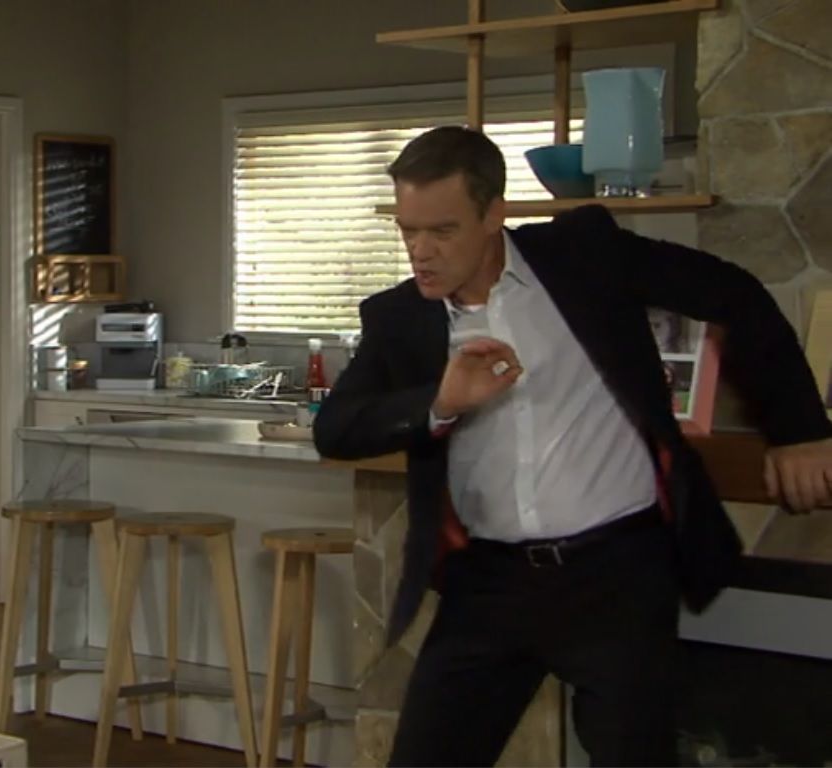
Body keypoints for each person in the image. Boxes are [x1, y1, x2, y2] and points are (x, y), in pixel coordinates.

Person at [312, 126, 832, 767]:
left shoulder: (583, 255)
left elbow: (735, 293)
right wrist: (440, 402)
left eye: (442, 231)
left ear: (494, 214)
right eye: (408, 231)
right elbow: (336, 429)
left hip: (616, 577)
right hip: (488, 588)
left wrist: (800, 431)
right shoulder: (399, 318)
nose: (421, 251)